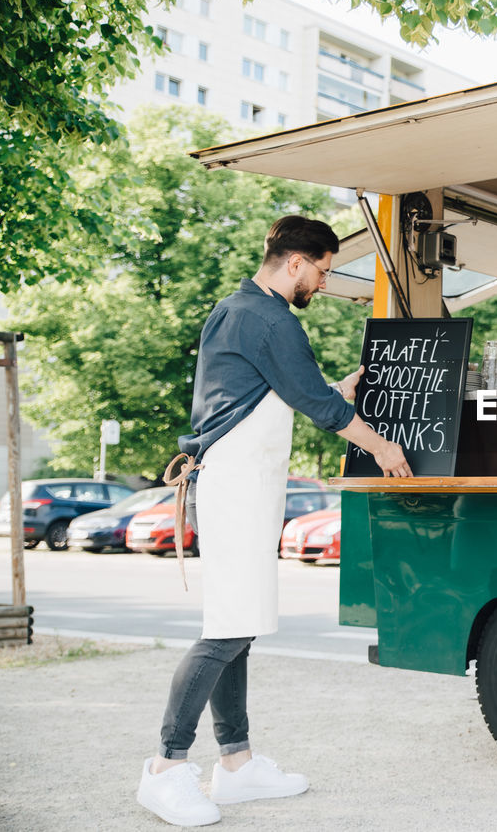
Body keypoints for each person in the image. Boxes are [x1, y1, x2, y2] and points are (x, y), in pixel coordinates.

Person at [136, 215, 413, 827]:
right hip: (236, 487)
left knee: (241, 626)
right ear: (295, 263)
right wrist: (386, 449)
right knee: (226, 632)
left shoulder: (237, 310)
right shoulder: (269, 317)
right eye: (322, 269)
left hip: (241, 486)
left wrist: (330, 388)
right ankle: (164, 768)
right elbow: (317, 408)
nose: (323, 281)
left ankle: (235, 764)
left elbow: (276, 393)